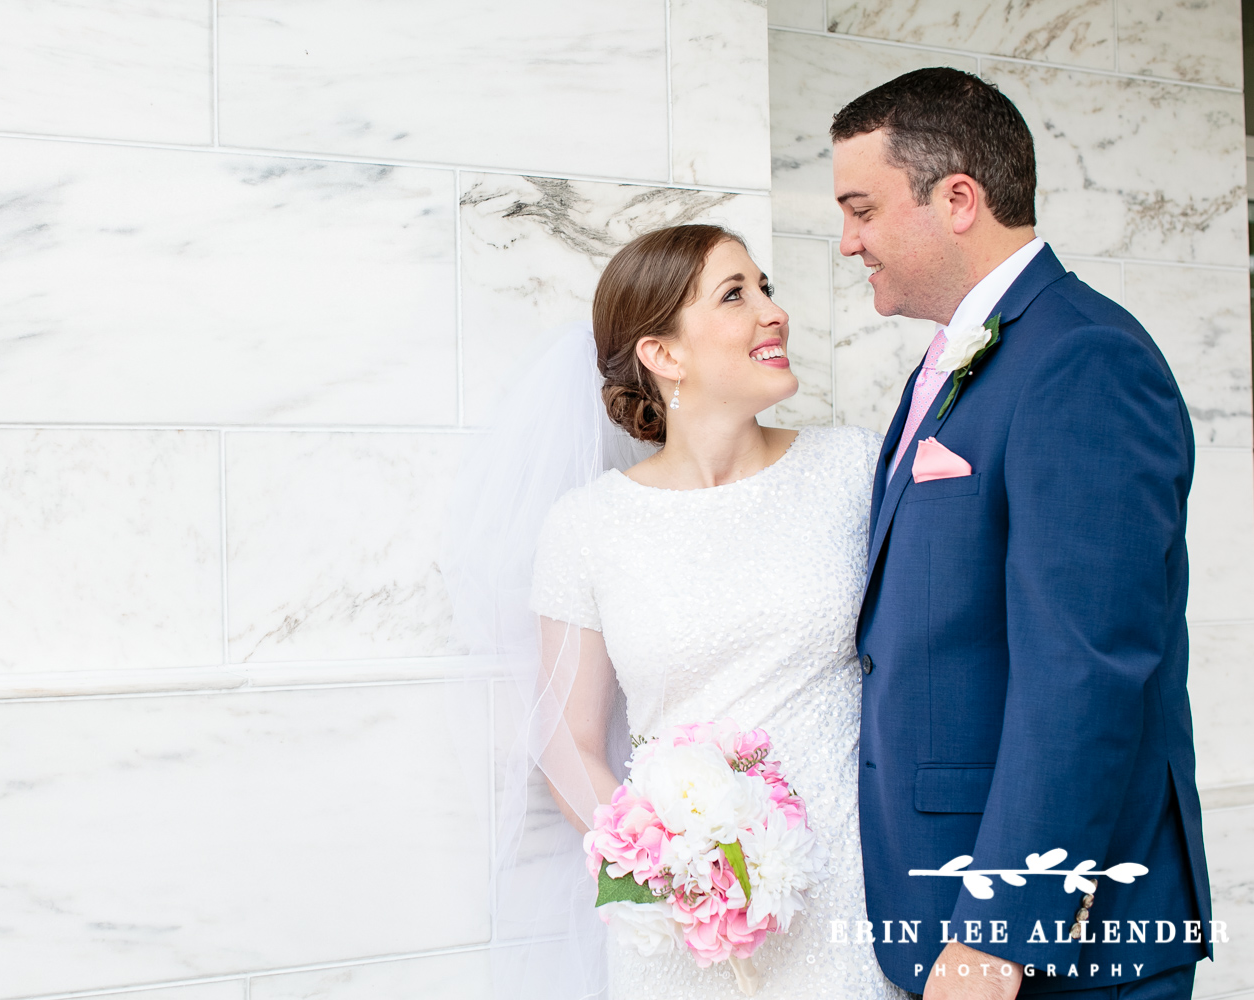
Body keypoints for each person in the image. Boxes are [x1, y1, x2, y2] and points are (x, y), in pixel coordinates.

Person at [445, 224, 905, 999]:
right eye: (736, 295)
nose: (773, 311)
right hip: (684, 933)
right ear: (664, 355)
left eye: (766, 287)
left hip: (844, 899)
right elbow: (567, 738)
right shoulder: (587, 527)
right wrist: (667, 868)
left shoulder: (856, 469)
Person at [835, 68, 1212, 1000]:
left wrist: (1002, 929)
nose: (848, 243)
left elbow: (1087, 665)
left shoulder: (1084, 357)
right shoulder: (967, 353)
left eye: (862, 209)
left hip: (1060, 946)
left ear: (957, 198)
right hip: (939, 901)